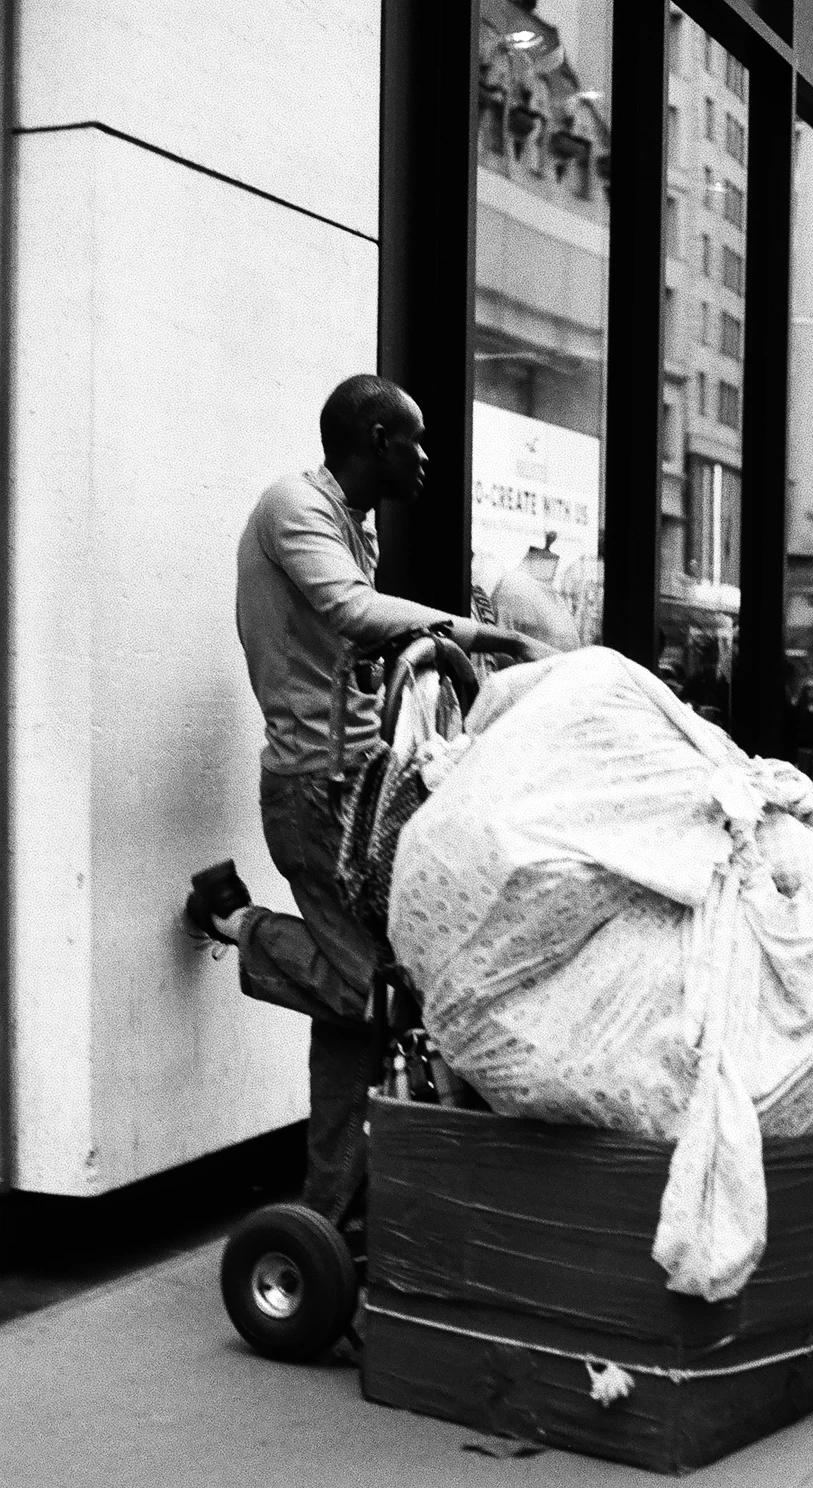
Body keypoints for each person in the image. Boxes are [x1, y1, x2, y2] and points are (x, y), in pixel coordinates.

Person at [183, 375, 554, 1233]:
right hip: (316, 791)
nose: (425, 457)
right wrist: (486, 634)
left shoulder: (356, 525)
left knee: (359, 1009)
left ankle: (329, 1211)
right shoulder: (293, 508)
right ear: (375, 440)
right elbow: (352, 615)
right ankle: (237, 922)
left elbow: (366, 647)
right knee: (378, 992)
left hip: (361, 782)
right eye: (414, 440)